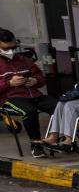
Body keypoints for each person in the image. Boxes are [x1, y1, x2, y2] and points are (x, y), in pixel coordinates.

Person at [0, 28, 57, 158]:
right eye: (6, 49)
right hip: (10, 98)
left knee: (59, 106)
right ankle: (36, 144)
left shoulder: (23, 60)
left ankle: (55, 138)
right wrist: (9, 83)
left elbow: (41, 78)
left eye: (13, 48)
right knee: (29, 111)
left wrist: (35, 81)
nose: (10, 51)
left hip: (34, 94)